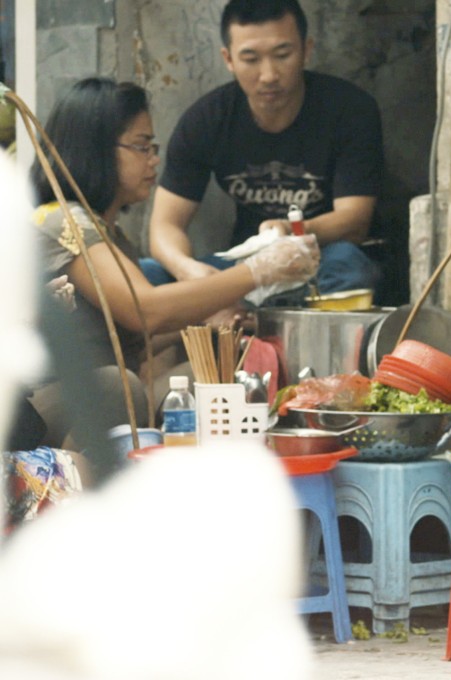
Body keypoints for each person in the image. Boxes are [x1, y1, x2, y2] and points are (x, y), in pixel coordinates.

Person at [29, 77, 319, 486]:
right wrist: (258, 271)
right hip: (38, 410)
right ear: (96, 149)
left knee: (218, 372)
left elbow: (134, 339)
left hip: (107, 393)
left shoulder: (111, 234)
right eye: (141, 146)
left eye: (155, 149)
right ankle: (75, 498)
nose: (153, 161)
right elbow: (144, 312)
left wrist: (206, 326)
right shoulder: (63, 220)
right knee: (118, 386)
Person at [142, 0, 383, 301]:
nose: (268, 75)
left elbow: (355, 220)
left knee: (351, 269)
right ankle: (244, 315)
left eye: (283, 55)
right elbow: (165, 225)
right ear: (228, 59)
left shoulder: (349, 110)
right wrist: (189, 272)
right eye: (251, 59)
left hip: (319, 260)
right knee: (147, 275)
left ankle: (250, 320)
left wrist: (291, 229)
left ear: (307, 50)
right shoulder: (205, 120)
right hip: (243, 269)